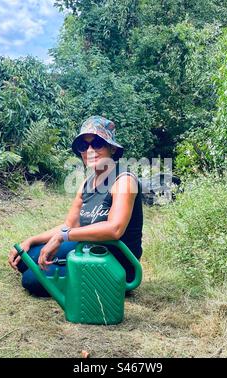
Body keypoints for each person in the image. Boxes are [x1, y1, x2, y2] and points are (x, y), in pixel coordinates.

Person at [8, 115, 143, 297]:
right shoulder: (87, 183)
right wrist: (31, 240)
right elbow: (69, 225)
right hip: (87, 250)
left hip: (113, 261)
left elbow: (114, 229)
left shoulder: (124, 180)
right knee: (25, 258)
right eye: (83, 145)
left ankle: (92, 280)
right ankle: (60, 266)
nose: (90, 150)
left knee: (31, 278)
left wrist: (62, 237)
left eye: (97, 143)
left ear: (111, 148)